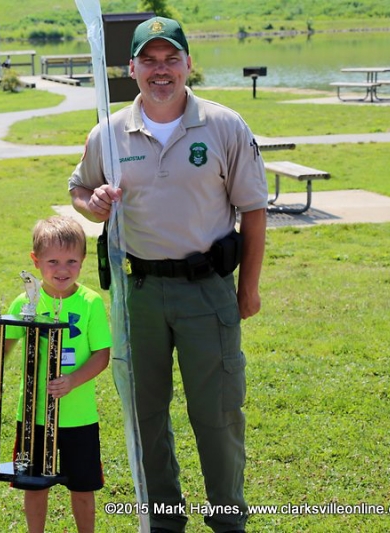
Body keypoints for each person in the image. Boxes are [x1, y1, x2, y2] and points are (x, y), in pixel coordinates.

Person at [68, 17, 267, 533]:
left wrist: (248, 288)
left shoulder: (224, 126)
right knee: (146, 414)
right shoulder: (108, 132)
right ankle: (163, 518)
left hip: (207, 290)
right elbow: (79, 189)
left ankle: (228, 519)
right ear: (131, 68)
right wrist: (92, 202)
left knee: (218, 413)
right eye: (149, 61)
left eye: (171, 59)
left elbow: (253, 210)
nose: (161, 71)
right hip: (138, 294)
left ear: (188, 64)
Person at [0, 216, 111, 533]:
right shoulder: (25, 302)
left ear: (83, 260)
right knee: (34, 485)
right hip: (33, 418)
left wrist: (72, 381)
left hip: (79, 419)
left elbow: (102, 356)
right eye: (53, 262)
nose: (62, 270)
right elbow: (1, 349)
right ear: (36, 261)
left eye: (71, 261)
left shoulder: (90, 302)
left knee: (83, 488)